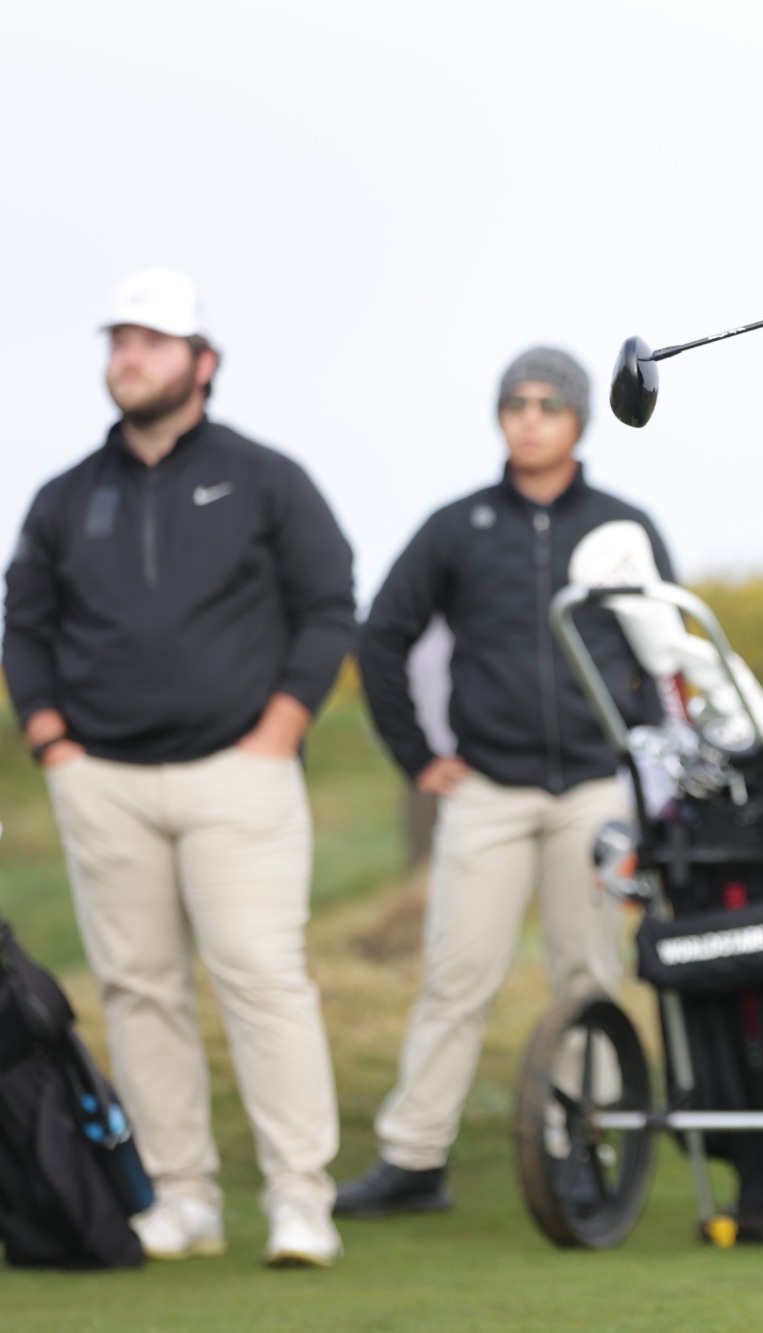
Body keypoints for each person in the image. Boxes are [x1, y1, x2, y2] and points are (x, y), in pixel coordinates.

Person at [3, 268, 356, 1267]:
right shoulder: (66, 497)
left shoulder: (264, 477)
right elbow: (22, 626)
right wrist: (52, 744)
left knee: (260, 976)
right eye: (119, 340)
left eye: (152, 341)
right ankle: (184, 1192)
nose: (129, 357)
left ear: (202, 363)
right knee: (137, 986)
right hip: (102, 779)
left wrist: (281, 726)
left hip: (236, 770)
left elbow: (328, 601)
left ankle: (299, 1196)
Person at [334, 347, 674, 1217]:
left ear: (579, 420)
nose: (530, 417)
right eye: (515, 402)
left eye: (548, 404)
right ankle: (414, 1159)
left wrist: (651, 764)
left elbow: (667, 652)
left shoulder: (621, 525)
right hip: (488, 787)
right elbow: (382, 638)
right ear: (500, 416)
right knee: (457, 975)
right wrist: (418, 756)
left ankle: (583, 1142)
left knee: (588, 972)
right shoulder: (457, 525)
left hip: (596, 790)